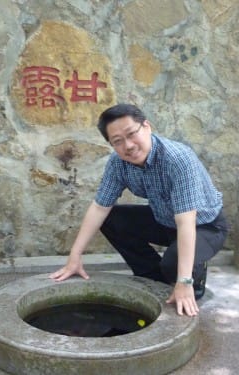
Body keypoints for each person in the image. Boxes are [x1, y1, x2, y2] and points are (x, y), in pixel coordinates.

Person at [49, 103, 228, 317]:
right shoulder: (118, 163)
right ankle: (153, 278)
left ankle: (192, 276)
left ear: (147, 126)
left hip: (205, 226)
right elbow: (99, 207)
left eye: (132, 134)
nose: (128, 145)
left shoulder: (178, 160)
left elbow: (186, 223)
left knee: (174, 263)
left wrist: (184, 281)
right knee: (111, 219)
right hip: (164, 220)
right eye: (118, 141)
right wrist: (74, 257)